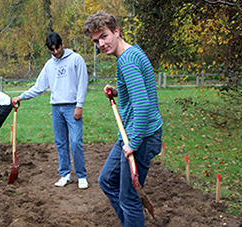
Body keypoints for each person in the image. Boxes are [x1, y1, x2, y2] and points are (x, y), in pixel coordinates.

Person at [84, 10, 163, 226]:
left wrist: (134, 142)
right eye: (96, 41)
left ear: (116, 32)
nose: (101, 44)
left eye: (104, 36)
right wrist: (119, 91)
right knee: (107, 181)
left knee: (128, 197)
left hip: (141, 137)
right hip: (132, 133)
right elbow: (141, 90)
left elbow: (142, 104)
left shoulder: (127, 60)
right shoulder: (132, 54)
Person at [12, 32, 89, 189]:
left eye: (57, 48)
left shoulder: (75, 59)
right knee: (60, 143)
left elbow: (83, 83)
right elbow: (39, 87)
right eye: (52, 50)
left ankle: (81, 175)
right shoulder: (49, 65)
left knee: (75, 142)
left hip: (72, 106)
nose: (56, 52)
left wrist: (79, 105)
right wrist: (21, 97)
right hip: (56, 107)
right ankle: (65, 174)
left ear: (62, 44)